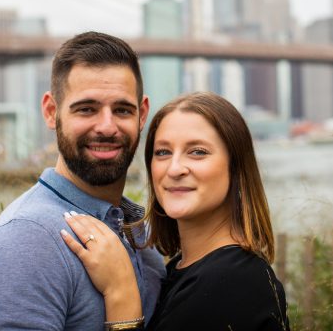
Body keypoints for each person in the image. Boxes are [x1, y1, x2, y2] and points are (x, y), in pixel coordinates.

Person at [0, 31, 165, 330]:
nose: (107, 127)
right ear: (51, 111)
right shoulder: (24, 242)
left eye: (122, 110)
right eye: (87, 109)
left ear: (142, 114)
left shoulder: (139, 231)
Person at [61, 92, 291, 330]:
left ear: (236, 168)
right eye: (163, 152)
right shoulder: (183, 269)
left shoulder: (232, 280)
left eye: (198, 152)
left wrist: (120, 291)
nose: (174, 169)